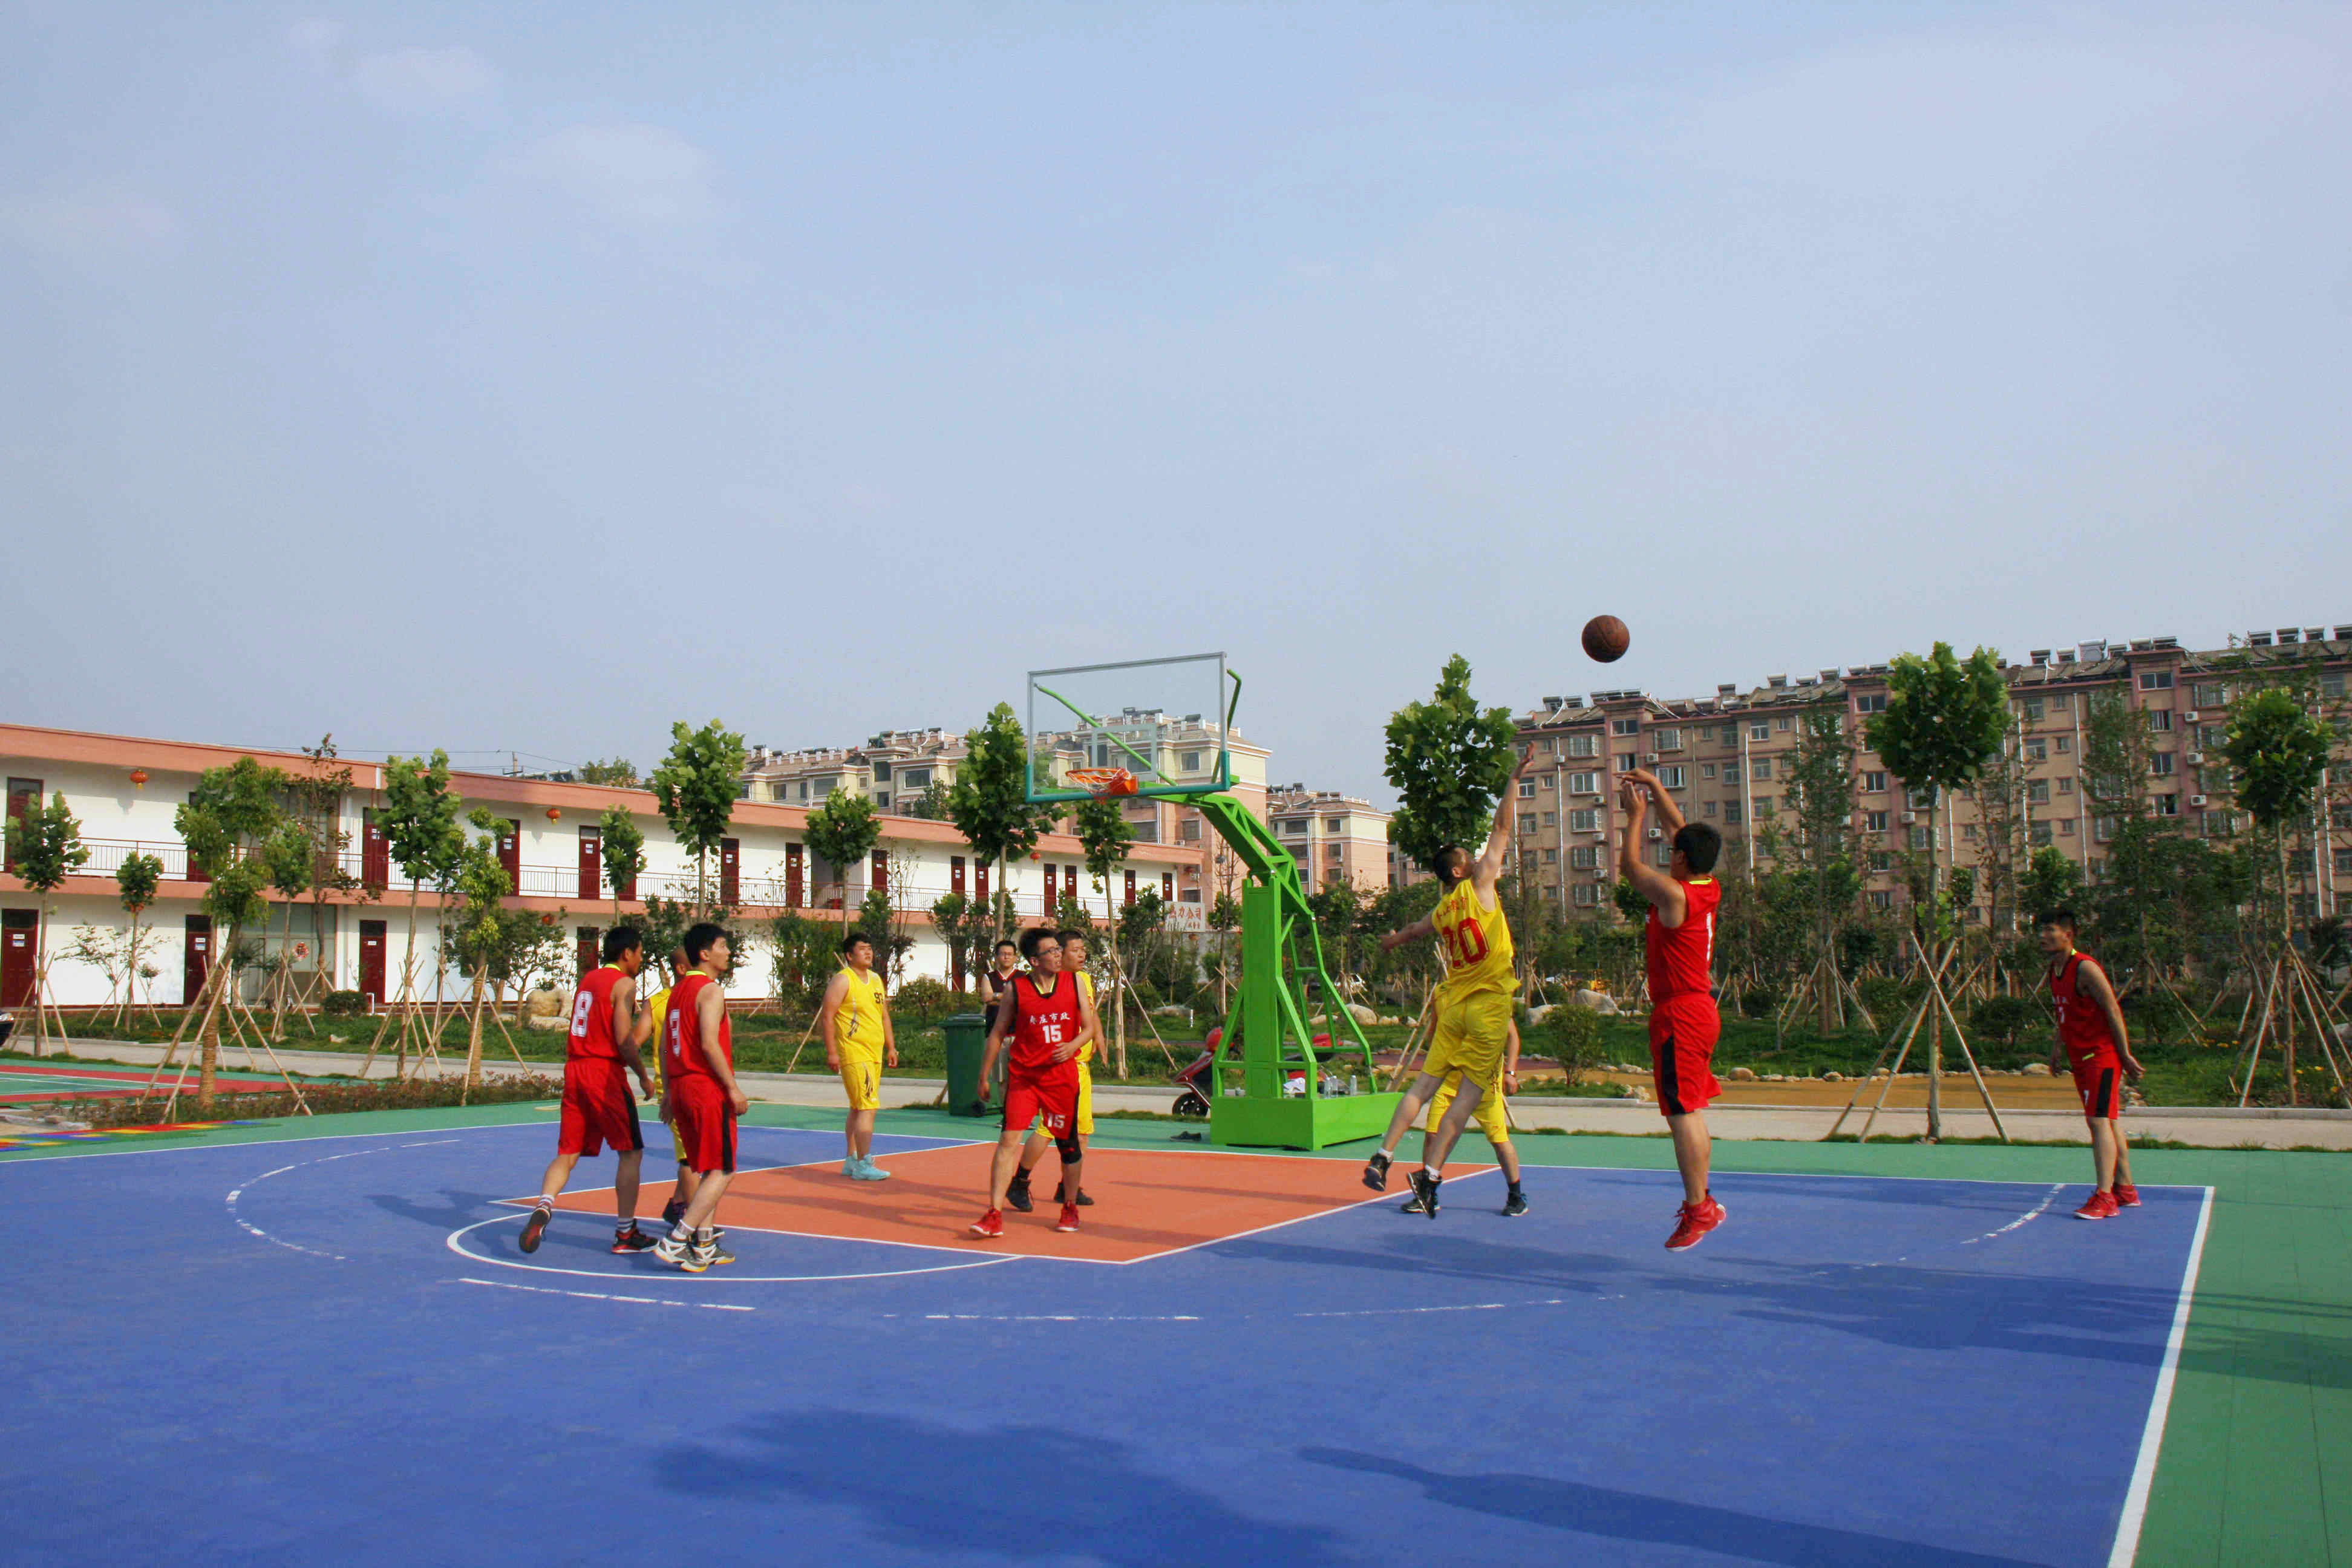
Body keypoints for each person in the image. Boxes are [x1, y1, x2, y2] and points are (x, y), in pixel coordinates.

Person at [1364, 746, 1536, 1217]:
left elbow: (1413, 930)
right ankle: (1432, 1178)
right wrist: (1513, 780)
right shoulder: (1481, 886)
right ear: (1461, 870)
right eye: (1468, 856)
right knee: (1467, 1099)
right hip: (1486, 1005)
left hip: (1452, 1004)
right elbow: (1502, 829)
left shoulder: (1443, 910)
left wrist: (1390, 941)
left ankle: (1384, 1153)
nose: (1476, 857)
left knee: (1422, 1087)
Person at [1618, 766, 1728, 1251]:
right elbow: (1679, 828)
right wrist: (1657, 787)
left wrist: (1635, 816)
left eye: (1672, 852)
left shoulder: (1674, 894)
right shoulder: (1707, 885)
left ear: (1681, 859)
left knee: (1682, 1114)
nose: (1668, 855)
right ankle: (1704, 1202)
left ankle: (1699, 1210)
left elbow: (1630, 869)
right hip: (1700, 1009)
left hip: (1680, 1014)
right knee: (1691, 1110)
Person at [520, 927, 658, 1254]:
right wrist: (643, 1075)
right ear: (627, 953)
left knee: (567, 1152)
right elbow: (624, 1040)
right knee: (630, 1151)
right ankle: (625, 1233)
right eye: (640, 953)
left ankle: (544, 1204)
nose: (641, 960)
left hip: (575, 1070)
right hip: (603, 1074)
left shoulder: (588, 980)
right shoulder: (624, 984)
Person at [970, 927, 1100, 1239]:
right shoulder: (1016, 989)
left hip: (1061, 1079)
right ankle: (994, 1213)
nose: (1058, 954)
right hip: (1025, 1078)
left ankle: (1070, 1206)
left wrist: (1073, 1045)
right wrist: (984, 1075)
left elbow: (1089, 1026)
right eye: (1052, 951)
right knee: (1007, 1141)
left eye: (1059, 949)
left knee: (1068, 1144)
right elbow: (998, 1033)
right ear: (1034, 960)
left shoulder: (1074, 982)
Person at [652, 924, 746, 1273]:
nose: (728, 952)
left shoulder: (675, 993)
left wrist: (669, 1093)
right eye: (723, 946)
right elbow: (708, 1043)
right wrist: (732, 1087)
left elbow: (665, 1046)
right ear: (705, 954)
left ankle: (704, 1244)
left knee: (707, 1168)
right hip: (705, 1087)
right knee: (723, 1169)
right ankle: (678, 1239)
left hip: (682, 1086)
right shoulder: (710, 990)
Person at [2038, 909, 2144, 1218]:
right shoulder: (2054, 970)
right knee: (2108, 1122)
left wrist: (2124, 1054)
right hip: (2080, 1058)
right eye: (2041, 931)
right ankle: (2126, 1190)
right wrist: (2057, 1050)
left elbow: (2113, 1010)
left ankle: (2105, 1197)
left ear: (2068, 934)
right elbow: (2065, 1014)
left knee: (2098, 1122)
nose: (2043, 937)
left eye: (2049, 930)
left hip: (2101, 1056)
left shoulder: (2086, 968)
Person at [1007, 926, 1099, 1212]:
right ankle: (1020, 1180)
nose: (1081, 955)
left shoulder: (1082, 981)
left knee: (1081, 1133)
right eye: (1074, 950)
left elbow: (1091, 1017)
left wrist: (1099, 1040)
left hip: (1080, 1066)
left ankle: (1067, 1186)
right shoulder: (1049, 986)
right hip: (1058, 1070)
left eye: (1083, 950)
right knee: (1049, 1129)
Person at [1400, 1016, 1527, 1217]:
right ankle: (1428, 1194)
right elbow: (1434, 1031)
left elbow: (1512, 1036)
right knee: (1432, 1136)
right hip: (1450, 1084)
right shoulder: (1449, 1002)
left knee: (1500, 1142)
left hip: (1483, 1086)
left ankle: (1516, 1197)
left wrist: (1510, 1072)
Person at [820, 932, 898, 1181]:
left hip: (874, 1052)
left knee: (857, 1107)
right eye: (862, 948)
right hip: (854, 1051)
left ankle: (852, 1160)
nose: (868, 952)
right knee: (868, 1107)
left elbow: (884, 1015)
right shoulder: (843, 980)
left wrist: (891, 1047)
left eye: (870, 948)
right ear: (850, 955)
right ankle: (865, 1162)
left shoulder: (875, 979)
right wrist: (832, 1052)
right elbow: (827, 1016)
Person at [644, 947, 698, 1228]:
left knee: (695, 1153)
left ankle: (677, 1205)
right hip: (675, 1086)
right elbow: (636, 1040)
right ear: (681, 969)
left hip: (691, 1086)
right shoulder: (662, 1003)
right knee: (690, 1158)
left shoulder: (697, 996)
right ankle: (694, 1224)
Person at [975, 938, 1022, 1108]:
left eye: (1010, 954)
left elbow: (1024, 999)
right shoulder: (989, 977)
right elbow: (987, 997)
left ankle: (1022, 1115)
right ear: (996, 957)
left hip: (1020, 1035)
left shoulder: (1023, 977)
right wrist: (1011, 997)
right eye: (1003, 954)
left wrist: (998, 996)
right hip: (997, 1036)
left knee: (1021, 1079)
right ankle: (1006, 1115)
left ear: (1016, 957)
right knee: (1002, 1080)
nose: (1006, 957)